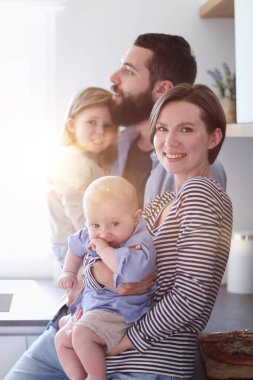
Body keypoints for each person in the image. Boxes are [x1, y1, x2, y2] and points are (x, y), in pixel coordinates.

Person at [4, 33, 227, 380]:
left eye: (127, 70)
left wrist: (124, 335)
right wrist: (93, 273)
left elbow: (169, 284)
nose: (113, 78)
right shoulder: (111, 148)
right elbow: (93, 241)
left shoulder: (195, 181)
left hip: (123, 334)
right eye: (163, 129)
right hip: (83, 315)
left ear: (160, 88)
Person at [90, 83, 233, 379]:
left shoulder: (201, 192)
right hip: (122, 363)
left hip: (151, 366)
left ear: (213, 137)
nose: (169, 141)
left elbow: (190, 298)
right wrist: (94, 276)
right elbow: (104, 252)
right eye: (162, 129)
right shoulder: (162, 203)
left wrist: (124, 341)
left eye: (186, 129)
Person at [55, 176, 156, 380]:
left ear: (136, 218)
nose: (104, 233)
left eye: (114, 224)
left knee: (81, 335)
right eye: (95, 225)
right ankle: (77, 377)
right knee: (61, 339)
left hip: (121, 312)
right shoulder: (91, 232)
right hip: (95, 307)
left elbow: (126, 272)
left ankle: (95, 376)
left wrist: (102, 249)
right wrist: (68, 272)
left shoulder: (140, 243)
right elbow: (75, 247)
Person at [47, 87, 118, 267]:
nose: (100, 131)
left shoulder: (95, 160)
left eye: (108, 125)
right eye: (91, 122)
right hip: (73, 248)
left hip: (83, 240)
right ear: (72, 125)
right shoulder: (72, 162)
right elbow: (78, 214)